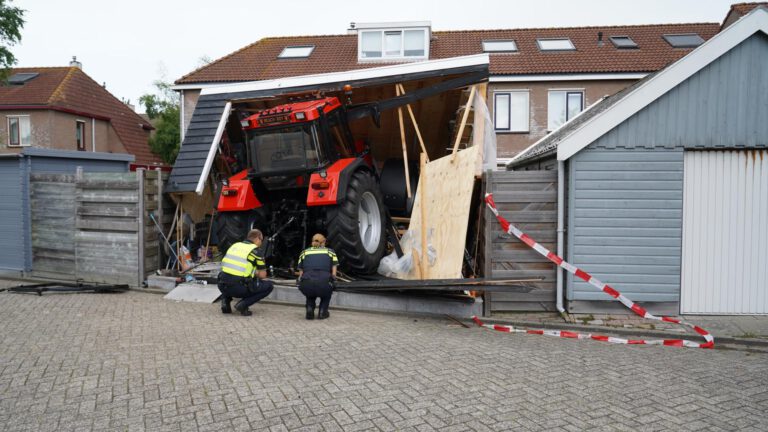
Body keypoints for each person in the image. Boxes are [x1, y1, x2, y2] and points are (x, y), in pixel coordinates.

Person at [217, 229, 274, 316]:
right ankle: (243, 304)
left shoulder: (234, 245)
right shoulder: (257, 252)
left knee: (229, 276)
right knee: (269, 286)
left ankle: (225, 302)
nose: (261, 243)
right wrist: (255, 272)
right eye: (261, 240)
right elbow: (263, 275)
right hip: (238, 288)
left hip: (222, 285)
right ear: (257, 238)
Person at [297, 233, 338, 320]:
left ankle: (309, 309)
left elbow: (301, 274)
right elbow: (334, 274)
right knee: (327, 293)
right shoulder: (330, 252)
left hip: (307, 283)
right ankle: (323, 311)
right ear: (324, 242)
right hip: (324, 283)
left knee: (310, 293)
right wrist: (332, 282)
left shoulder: (304, 252)